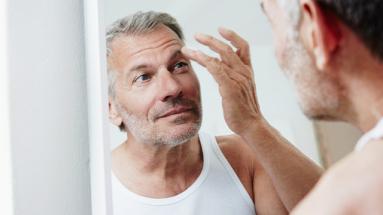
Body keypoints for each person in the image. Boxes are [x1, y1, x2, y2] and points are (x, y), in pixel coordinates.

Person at [106, 11, 322, 215]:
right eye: (143, 77)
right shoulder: (96, 188)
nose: (172, 88)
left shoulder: (245, 158)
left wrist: (253, 123)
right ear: (112, 109)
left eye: (179, 65)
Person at [182, 0, 383, 214]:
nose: (277, 54)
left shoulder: (354, 198)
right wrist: (251, 122)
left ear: (318, 31)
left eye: (273, 26)